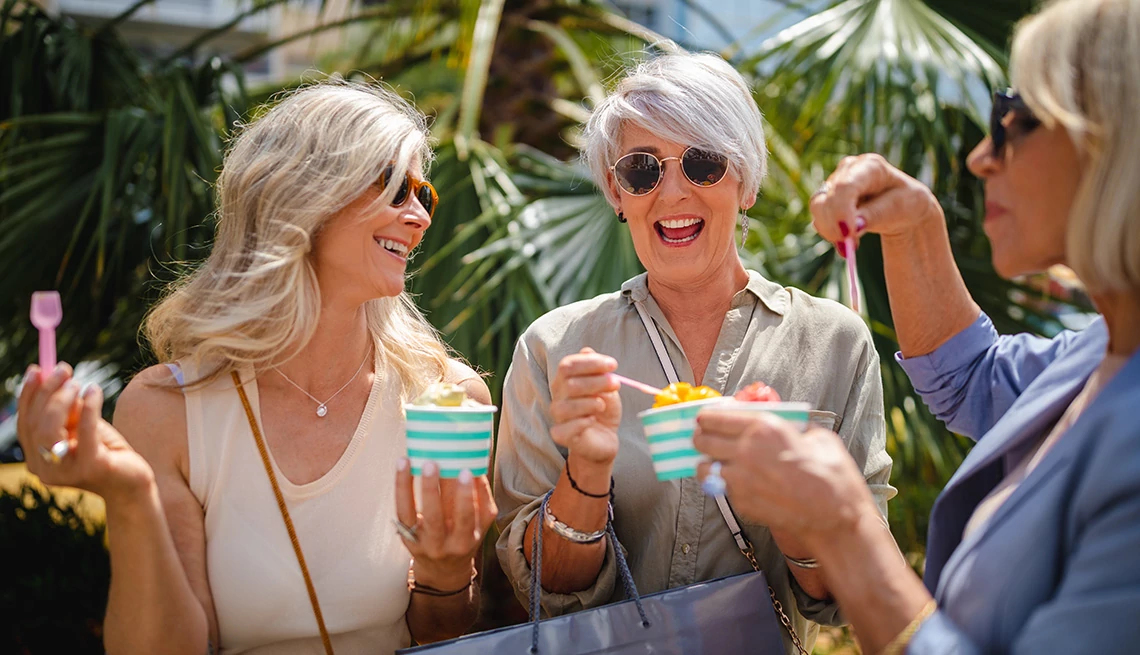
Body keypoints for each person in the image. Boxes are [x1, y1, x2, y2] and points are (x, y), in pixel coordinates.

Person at [692, 0, 1140, 652]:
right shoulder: (1107, 348)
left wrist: (844, 526)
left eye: (1012, 119)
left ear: (1113, 141)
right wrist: (913, 227)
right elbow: (972, 379)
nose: (983, 157)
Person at [16, 79, 496, 654]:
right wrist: (128, 496)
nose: (419, 217)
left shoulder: (445, 401)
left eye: (425, 195)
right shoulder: (166, 410)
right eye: (396, 187)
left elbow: (448, 637)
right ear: (303, 195)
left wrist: (445, 574)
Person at [493, 52, 896, 654]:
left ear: (746, 181)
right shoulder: (554, 350)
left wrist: (791, 505)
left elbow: (847, 598)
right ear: (615, 191)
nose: (673, 191)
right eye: (641, 169)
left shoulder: (834, 342)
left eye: (704, 163)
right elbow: (537, 593)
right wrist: (585, 475)